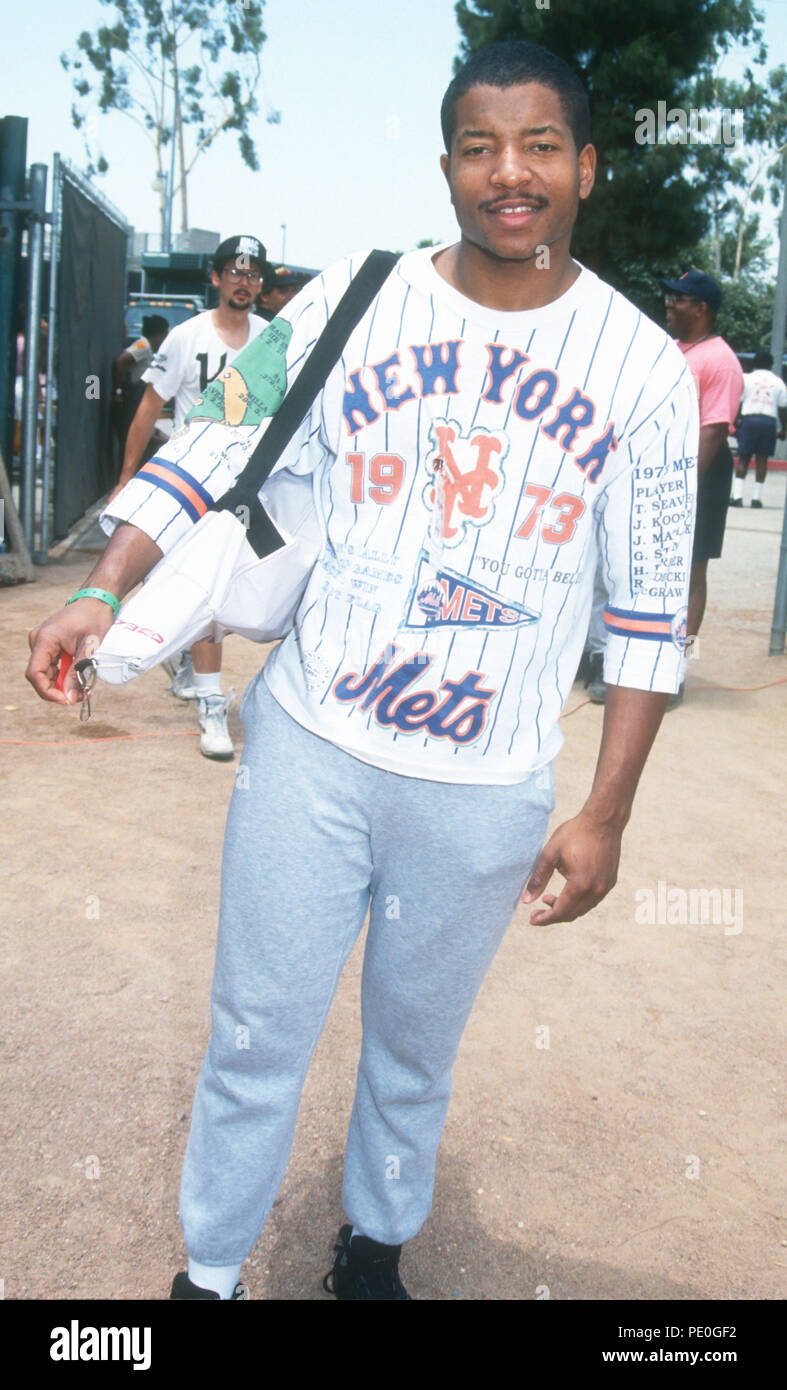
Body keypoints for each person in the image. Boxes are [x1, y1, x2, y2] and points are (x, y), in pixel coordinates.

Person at [26, 41, 698, 1301]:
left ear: (586, 167)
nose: (512, 174)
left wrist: (603, 812)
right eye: (482, 146)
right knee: (253, 1036)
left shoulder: (644, 376)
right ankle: (211, 1272)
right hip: (313, 748)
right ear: (446, 164)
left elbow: (650, 613)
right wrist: (105, 586)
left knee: (412, 1050)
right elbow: (212, 438)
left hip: (485, 785)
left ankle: (374, 1245)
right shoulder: (352, 295)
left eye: (541, 145)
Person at [110, 236, 269, 759]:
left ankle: (188, 663)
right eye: (234, 271)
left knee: (250, 593)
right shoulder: (185, 336)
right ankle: (210, 704)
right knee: (209, 595)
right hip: (194, 482)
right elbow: (148, 405)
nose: (244, 281)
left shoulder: (273, 340)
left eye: (253, 273)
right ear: (217, 278)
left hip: (252, 484)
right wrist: (129, 475)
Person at [661, 270, 743, 705]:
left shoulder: (721, 360)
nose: (669, 304)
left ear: (702, 309)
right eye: (670, 296)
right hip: (667, 468)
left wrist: (682, 491)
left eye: (680, 298)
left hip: (702, 474)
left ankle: (679, 666)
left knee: (692, 572)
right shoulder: (674, 349)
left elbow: (712, 431)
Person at [730, 348, 787, 508]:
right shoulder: (778, 382)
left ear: (754, 363)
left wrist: (734, 423)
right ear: (771, 364)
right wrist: (784, 429)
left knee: (743, 458)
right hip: (768, 422)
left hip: (749, 420)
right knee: (762, 461)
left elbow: (738, 402)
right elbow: (783, 409)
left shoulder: (747, 379)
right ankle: (756, 499)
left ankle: (738, 497)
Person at [111, 315, 170, 468]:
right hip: (131, 398)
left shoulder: (148, 349)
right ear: (158, 334)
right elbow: (120, 361)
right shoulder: (142, 345)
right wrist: (117, 392)